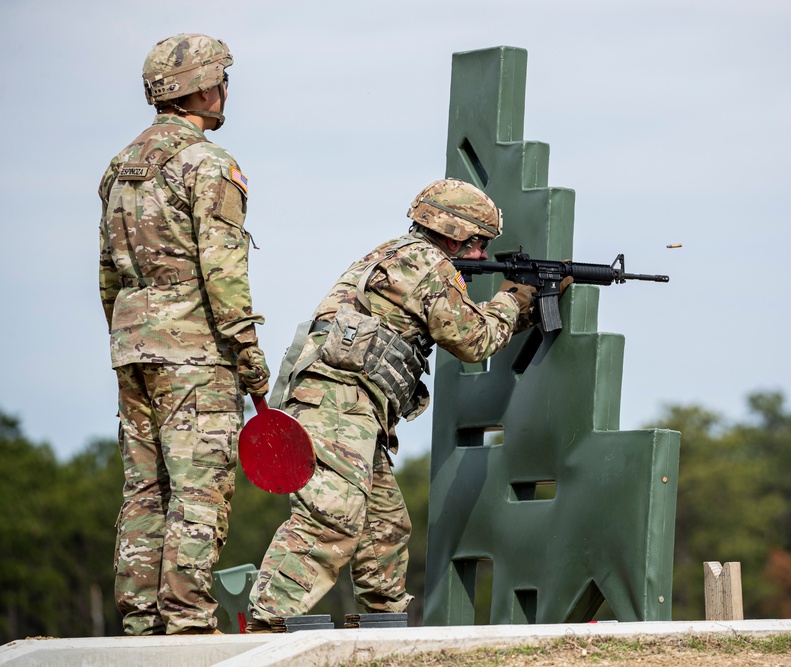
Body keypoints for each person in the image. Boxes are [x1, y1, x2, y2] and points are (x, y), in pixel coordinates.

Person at [247, 178, 552, 629]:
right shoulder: (428, 266)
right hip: (338, 403)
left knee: (383, 530)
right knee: (332, 520)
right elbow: (474, 340)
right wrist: (514, 297)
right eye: (479, 244)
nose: (482, 256)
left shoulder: (400, 254)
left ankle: (382, 634)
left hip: (348, 407)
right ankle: (265, 625)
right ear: (453, 233)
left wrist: (520, 306)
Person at [98, 33, 270, 636]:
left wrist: (131, 338)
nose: (226, 89)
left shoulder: (119, 168)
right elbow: (224, 274)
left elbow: (106, 276)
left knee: (144, 488)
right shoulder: (211, 165)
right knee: (199, 488)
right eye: (220, 78)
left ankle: (141, 624)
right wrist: (251, 362)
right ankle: (188, 624)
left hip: (133, 350)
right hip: (196, 356)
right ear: (198, 87)